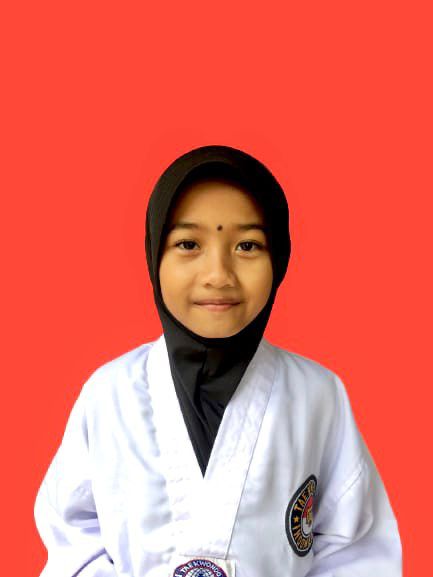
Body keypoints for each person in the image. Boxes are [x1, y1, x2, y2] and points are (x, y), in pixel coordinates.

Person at [34, 145, 402, 577]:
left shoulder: (318, 396)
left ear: (279, 257)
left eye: (247, 245)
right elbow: (73, 536)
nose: (218, 275)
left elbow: (356, 551)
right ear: (154, 255)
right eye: (188, 244)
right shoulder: (108, 394)